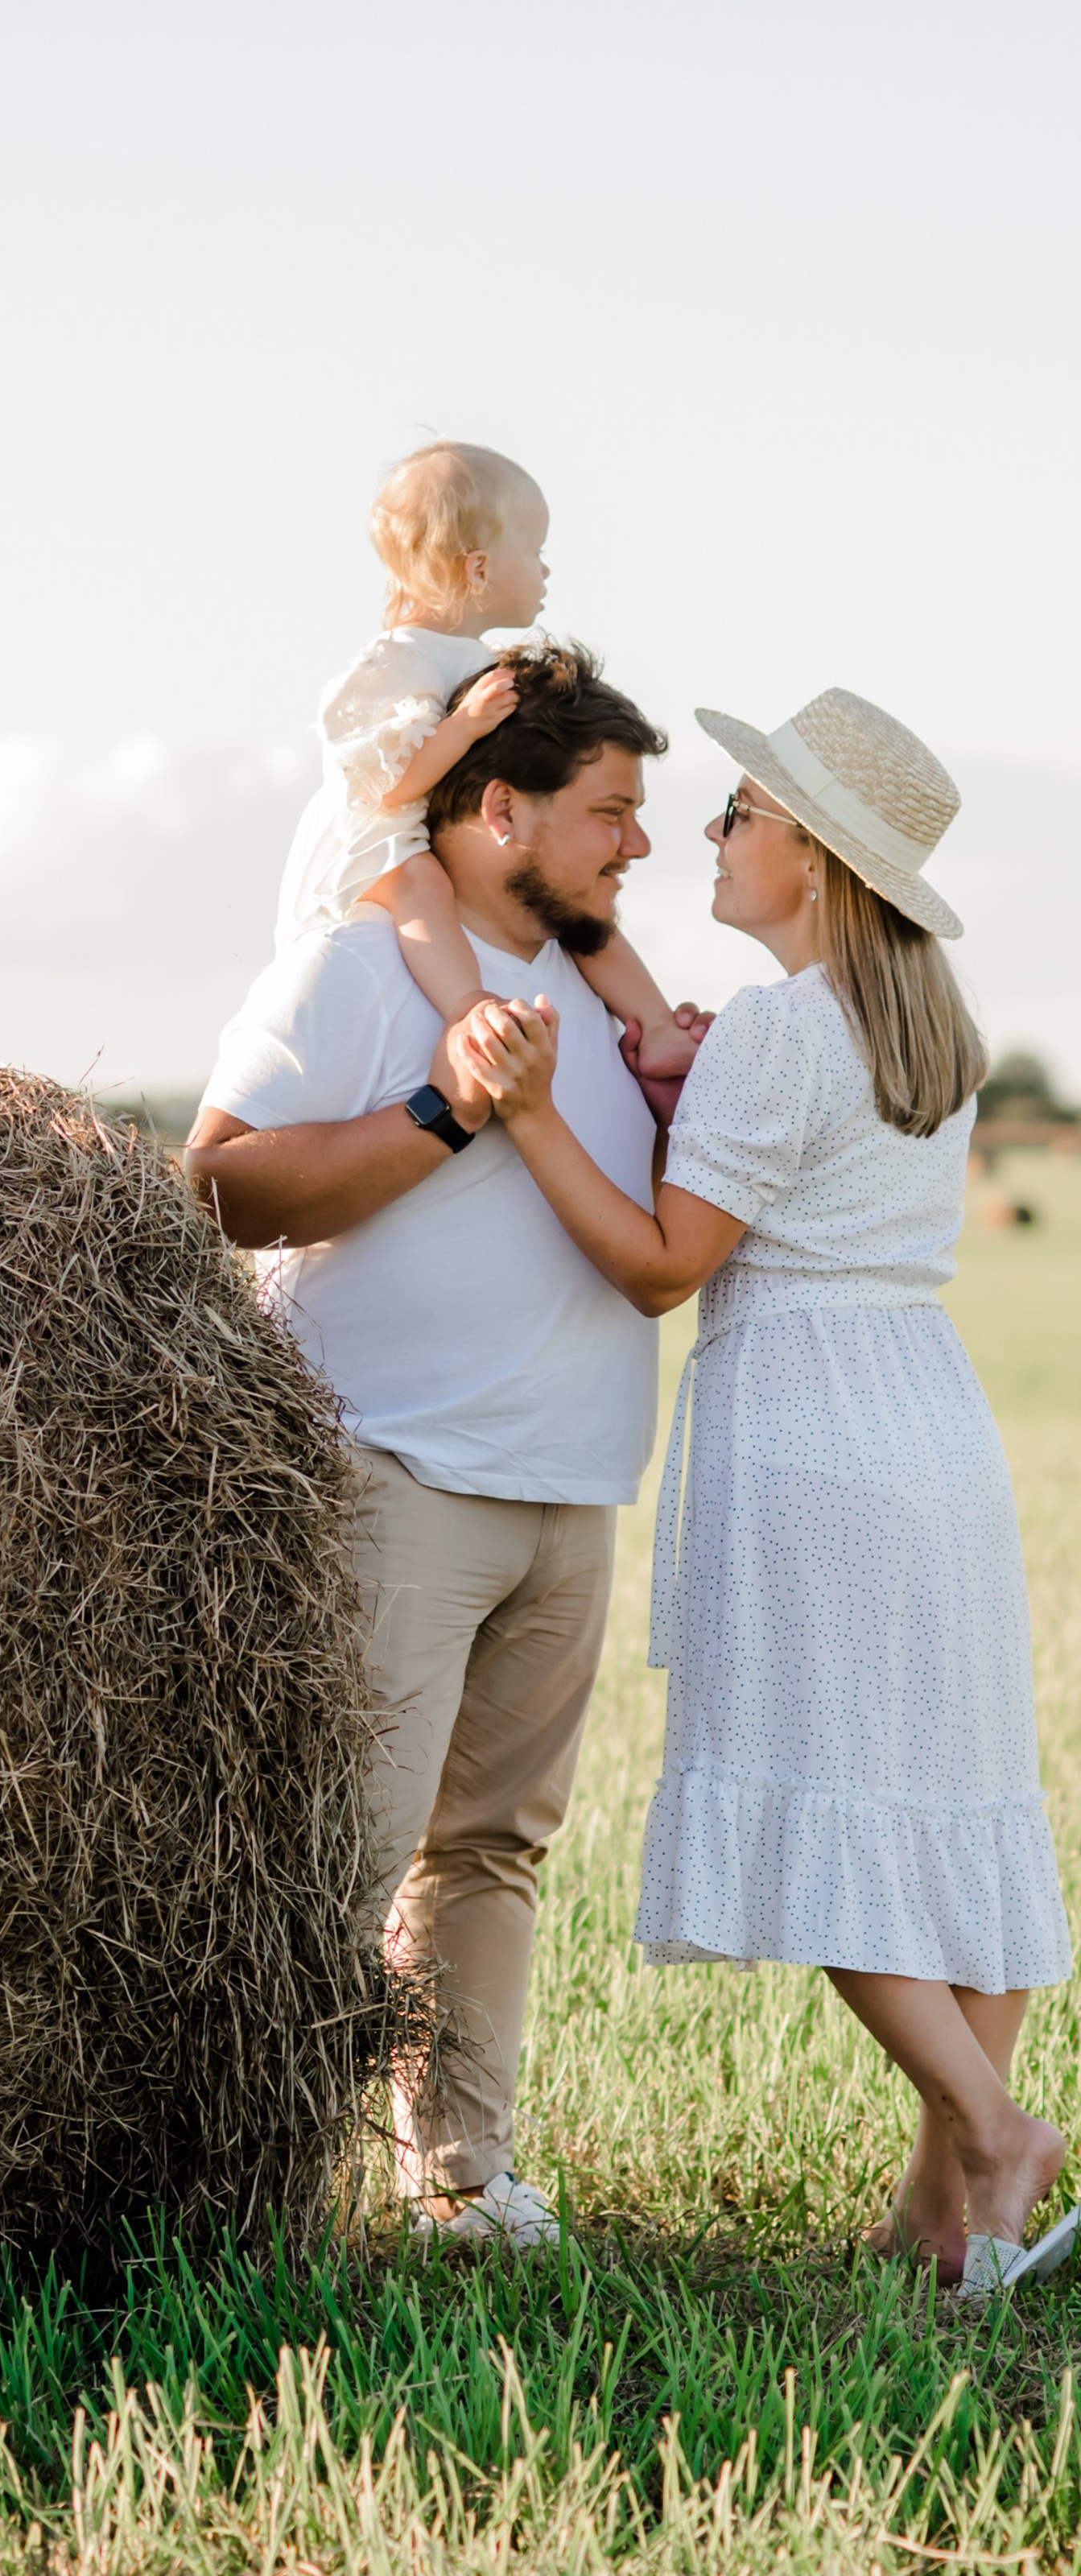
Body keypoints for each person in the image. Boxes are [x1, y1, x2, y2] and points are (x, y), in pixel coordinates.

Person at [464, 688, 1076, 2297]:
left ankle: (991, 2129)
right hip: (926, 1423)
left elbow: (666, 1265)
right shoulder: (913, 1026)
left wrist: (528, 1116)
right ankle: (938, 2221)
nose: (716, 837)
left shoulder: (785, 1031)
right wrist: (675, 1067)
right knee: (943, 1810)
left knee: (823, 1812)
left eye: (741, 813)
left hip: (803, 1429)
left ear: (813, 860)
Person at [188, 641, 670, 2247]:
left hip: (571, 1488)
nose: (633, 845)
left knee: (490, 1855)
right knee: (342, 1852)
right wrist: (438, 1115)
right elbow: (220, 1182)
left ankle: (457, 2179)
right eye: (605, 811)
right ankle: (246, 2194)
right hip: (393, 1478)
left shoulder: (608, 997)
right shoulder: (354, 970)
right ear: (492, 809)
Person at [272, 440, 705, 1091]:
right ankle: (467, 1008)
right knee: (422, 888)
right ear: (478, 571)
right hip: (390, 839)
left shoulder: (474, 660)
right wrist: (465, 725)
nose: (547, 572)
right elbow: (389, 788)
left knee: (577, 905)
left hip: (450, 833)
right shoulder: (398, 664)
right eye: (535, 555)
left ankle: (658, 1026)